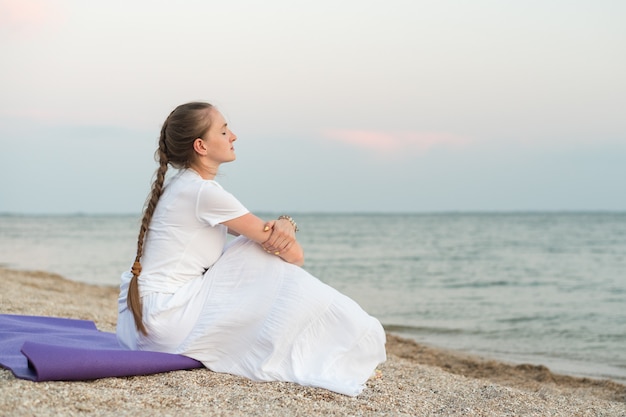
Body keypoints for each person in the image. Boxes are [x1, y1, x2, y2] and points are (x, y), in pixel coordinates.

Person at [116, 101, 386, 396]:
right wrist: (285, 224)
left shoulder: (184, 187)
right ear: (201, 146)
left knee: (254, 248)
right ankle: (351, 341)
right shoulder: (202, 192)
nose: (233, 136)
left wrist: (282, 227)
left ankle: (325, 345)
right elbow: (294, 257)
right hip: (163, 323)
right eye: (223, 130)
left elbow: (272, 240)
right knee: (253, 251)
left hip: (139, 325)